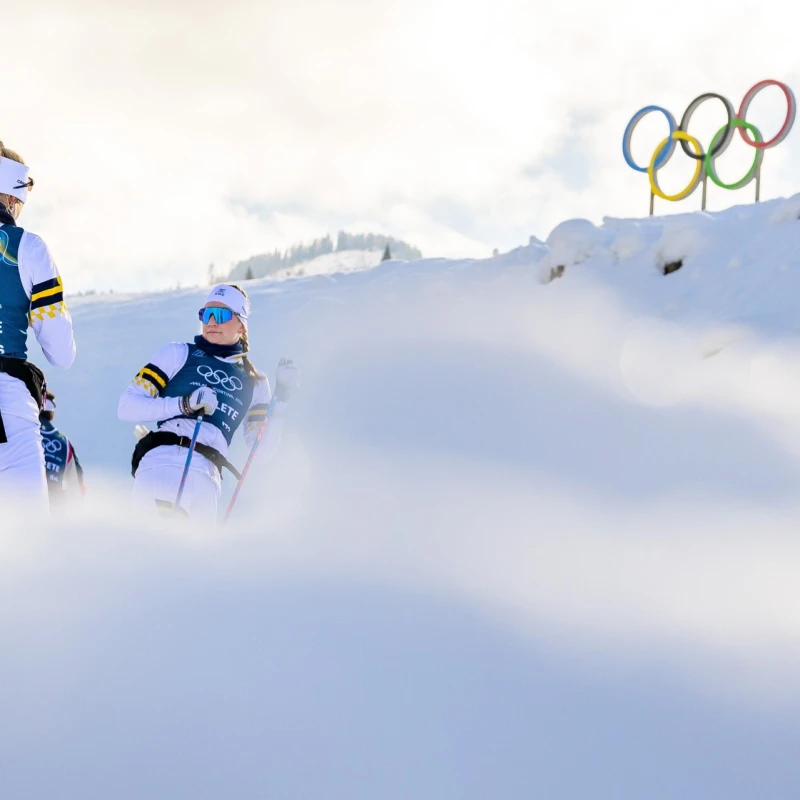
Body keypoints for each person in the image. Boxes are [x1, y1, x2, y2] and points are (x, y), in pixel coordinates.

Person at [118, 283, 299, 519]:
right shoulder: (177, 354)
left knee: (194, 555)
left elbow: (261, 450)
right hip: (161, 463)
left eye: (222, 314)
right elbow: (127, 406)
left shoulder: (255, 383)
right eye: (206, 314)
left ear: (242, 324)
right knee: (147, 549)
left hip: (206, 476)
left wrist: (281, 400)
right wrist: (184, 404)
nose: (211, 321)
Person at [0, 141, 76, 511]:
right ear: (12, 195)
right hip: (6, 401)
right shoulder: (27, 247)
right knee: (27, 546)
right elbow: (61, 353)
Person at [39, 390, 86, 503]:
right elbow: (78, 488)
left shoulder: (22, 432)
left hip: (24, 501)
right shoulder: (65, 443)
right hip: (55, 505)